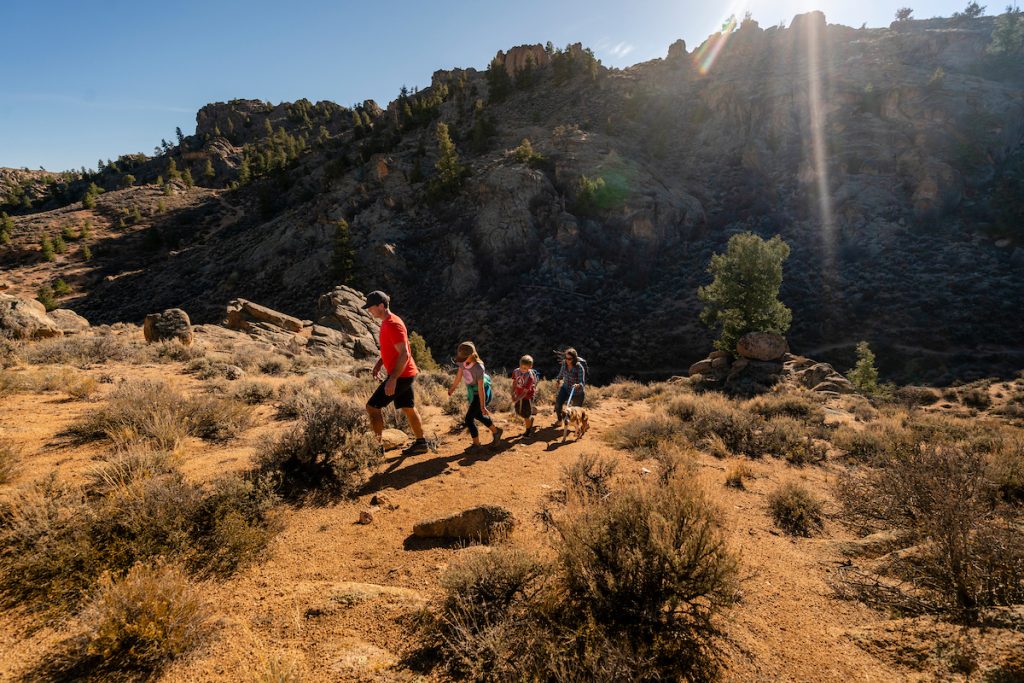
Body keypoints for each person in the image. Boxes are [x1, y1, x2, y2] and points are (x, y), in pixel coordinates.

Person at [362, 290, 428, 454]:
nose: (369, 311)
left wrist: (392, 379)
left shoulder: (392, 324)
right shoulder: (387, 321)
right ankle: (421, 443)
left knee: (372, 407)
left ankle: (376, 450)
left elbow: (404, 353)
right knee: (408, 408)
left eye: (371, 307)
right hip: (406, 373)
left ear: (381, 306)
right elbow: (390, 348)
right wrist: (379, 363)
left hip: (402, 375)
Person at [447, 341, 503, 449]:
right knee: (477, 415)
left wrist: (482, 406)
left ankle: (476, 445)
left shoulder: (478, 368)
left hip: (481, 394)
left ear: (471, 355)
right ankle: (496, 432)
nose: (462, 361)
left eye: (464, 359)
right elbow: (459, 375)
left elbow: (481, 388)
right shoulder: (462, 361)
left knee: (468, 419)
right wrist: (452, 388)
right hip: (473, 392)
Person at [511, 354, 539, 436]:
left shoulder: (530, 377)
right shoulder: (516, 371)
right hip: (519, 394)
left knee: (526, 414)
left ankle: (528, 431)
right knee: (519, 411)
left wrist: (517, 399)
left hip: (528, 396)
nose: (522, 369)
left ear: (530, 367)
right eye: (521, 367)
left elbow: (525, 392)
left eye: (525, 368)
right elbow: (514, 383)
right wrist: (513, 393)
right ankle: (530, 419)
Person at [554, 347, 586, 422]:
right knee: (558, 404)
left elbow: (582, 382)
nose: (567, 360)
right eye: (566, 358)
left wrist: (578, 385)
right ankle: (559, 420)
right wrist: (558, 380)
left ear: (574, 358)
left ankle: (579, 426)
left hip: (577, 392)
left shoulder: (579, 367)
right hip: (565, 388)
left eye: (569, 359)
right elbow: (561, 374)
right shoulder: (564, 364)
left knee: (577, 411)